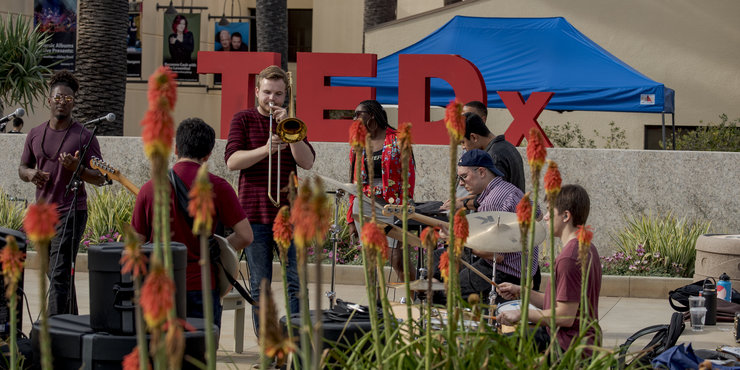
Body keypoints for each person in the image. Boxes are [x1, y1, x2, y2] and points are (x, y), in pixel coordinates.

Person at [132, 118, 253, 328]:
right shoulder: (219, 187)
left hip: (160, 286)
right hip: (203, 285)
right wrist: (220, 247)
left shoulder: (149, 189)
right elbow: (245, 236)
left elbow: (135, 244)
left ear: (176, 148)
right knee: (201, 356)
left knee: (161, 356)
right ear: (208, 154)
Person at [225, 65, 315, 334]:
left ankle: (297, 344)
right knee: (259, 286)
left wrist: (291, 132)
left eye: (278, 93)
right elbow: (231, 161)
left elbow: (307, 162)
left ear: (285, 94)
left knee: (296, 283)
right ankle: (268, 346)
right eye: (267, 93)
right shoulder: (242, 118)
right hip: (254, 215)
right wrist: (265, 149)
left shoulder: (292, 123)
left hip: (290, 216)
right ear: (256, 92)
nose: (272, 99)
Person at [18, 70, 106, 316]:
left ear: (74, 102)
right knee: (56, 274)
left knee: (58, 273)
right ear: (49, 100)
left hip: (71, 213)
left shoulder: (84, 137)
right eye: (58, 98)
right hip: (42, 214)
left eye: (67, 99)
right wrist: (30, 174)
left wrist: (75, 169)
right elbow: (22, 167)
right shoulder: (35, 134)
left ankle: (53, 335)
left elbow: (100, 178)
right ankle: (72, 326)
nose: (62, 102)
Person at [497, 184, 601, 353]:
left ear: (566, 216)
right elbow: (561, 302)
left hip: (567, 347)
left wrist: (521, 314)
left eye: (549, 211)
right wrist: (521, 291)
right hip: (577, 340)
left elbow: (566, 316)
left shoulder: (569, 257)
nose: (545, 217)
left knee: (497, 347)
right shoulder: (587, 246)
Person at [435, 149, 540, 303]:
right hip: (525, 269)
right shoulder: (510, 189)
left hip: (504, 272)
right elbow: (537, 213)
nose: (462, 183)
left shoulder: (491, 202)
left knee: (445, 294)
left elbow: (494, 254)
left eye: (464, 177)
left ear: (482, 172)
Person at [347, 99, 416, 282]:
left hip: (391, 205)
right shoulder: (358, 143)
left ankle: (416, 299)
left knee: (396, 257)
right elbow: (353, 182)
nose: (354, 119)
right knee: (370, 260)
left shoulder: (398, 139)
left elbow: (409, 176)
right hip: (364, 205)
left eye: (358, 114)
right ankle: (375, 305)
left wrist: (405, 206)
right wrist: (350, 218)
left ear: (371, 115)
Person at [461, 111, 525, 193]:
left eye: (463, 142)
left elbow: (494, 196)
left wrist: (463, 203)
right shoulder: (506, 146)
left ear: (473, 137)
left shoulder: (493, 156)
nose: (463, 147)